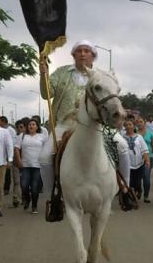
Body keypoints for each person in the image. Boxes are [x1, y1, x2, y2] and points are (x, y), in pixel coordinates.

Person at [38, 40, 131, 199]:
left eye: (86, 51)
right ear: (73, 55)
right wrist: (43, 74)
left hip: (96, 124)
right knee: (45, 157)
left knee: (122, 146)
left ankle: (125, 189)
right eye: (79, 51)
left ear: (93, 56)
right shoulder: (61, 72)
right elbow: (46, 94)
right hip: (65, 124)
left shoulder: (101, 76)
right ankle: (53, 196)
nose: (82, 54)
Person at [15, 119, 46, 213]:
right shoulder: (22, 136)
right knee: (24, 185)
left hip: (37, 165)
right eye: (29, 124)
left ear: (37, 127)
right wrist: (19, 161)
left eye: (33, 124)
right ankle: (27, 199)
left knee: (35, 187)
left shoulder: (42, 136)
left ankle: (34, 206)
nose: (31, 126)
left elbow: (46, 149)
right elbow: (16, 149)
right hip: (25, 165)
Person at [124, 120, 150, 203]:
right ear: (125, 127)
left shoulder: (139, 137)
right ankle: (131, 197)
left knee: (138, 182)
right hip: (127, 164)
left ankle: (138, 191)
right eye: (126, 125)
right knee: (130, 182)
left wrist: (147, 161)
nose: (128, 126)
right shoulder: (122, 138)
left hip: (139, 164)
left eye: (130, 124)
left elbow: (145, 150)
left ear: (133, 126)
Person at [136, 115, 153, 202]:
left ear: (144, 123)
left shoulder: (150, 132)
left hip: (149, 157)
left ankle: (146, 195)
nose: (139, 123)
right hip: (136, 158)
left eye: (141, 122)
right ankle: (138, 191)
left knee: (146, 177)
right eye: (138, 122)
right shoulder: (134, 132)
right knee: (137, 178)